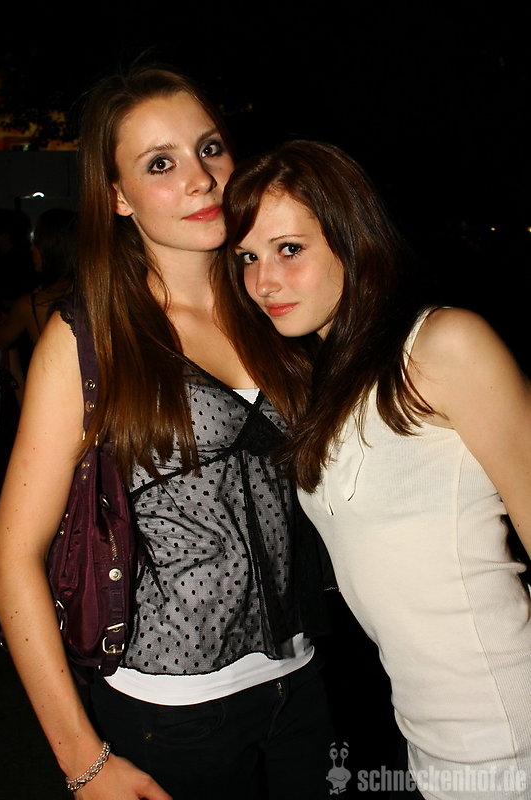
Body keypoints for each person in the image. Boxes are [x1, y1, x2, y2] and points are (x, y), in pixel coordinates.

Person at [0, 69, 334, 800]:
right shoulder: (88, 339)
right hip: (170, 712)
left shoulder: (277, 305)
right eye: (160, 163)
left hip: (304, 678)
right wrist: (82, 761)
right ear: (117, 196)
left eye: (210, 148)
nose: (200, 178)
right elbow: (15, 556)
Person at [217, 139, 531, 799]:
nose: (263, 281)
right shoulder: (323, 379)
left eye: (289, 249)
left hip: (506, 722)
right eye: (247, 257)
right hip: (423, 727)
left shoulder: (442, 346)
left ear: (352, 241)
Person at [0, 207, 77, 352]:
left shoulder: (31, 305)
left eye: (37, 243)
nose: (32, 249)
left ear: (51, 249)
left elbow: (1, 340)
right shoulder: (95, 294)